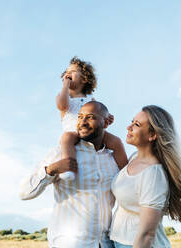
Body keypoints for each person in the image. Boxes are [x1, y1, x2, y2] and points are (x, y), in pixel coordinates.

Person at [19, 101, 120, 248]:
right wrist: (50, 170)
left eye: (90, 117)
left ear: (105, 123)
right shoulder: (60, 153)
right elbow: (24, 193)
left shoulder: (112, 159)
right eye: (80, 117)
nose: (82, 122)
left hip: (105, 244)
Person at [109, 105, 181, 248]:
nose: (128, 127)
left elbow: (147, 234)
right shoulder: (133, 158)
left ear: (152, 135)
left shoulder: (153, 174)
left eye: (136, 124)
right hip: (119, 241)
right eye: (132, 121)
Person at [56, 57, 127, 180]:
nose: (68, 73)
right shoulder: (65, 96)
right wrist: (65, 85)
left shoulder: (91, 98)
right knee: (66, 138)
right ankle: (69, 167)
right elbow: (62, 105)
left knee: (116, 141)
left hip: (93, 132)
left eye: (72, 71)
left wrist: (107, 117)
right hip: (74, 132)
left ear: (84, 79)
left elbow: (99, 112)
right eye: (66, 72)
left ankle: (126, 171)